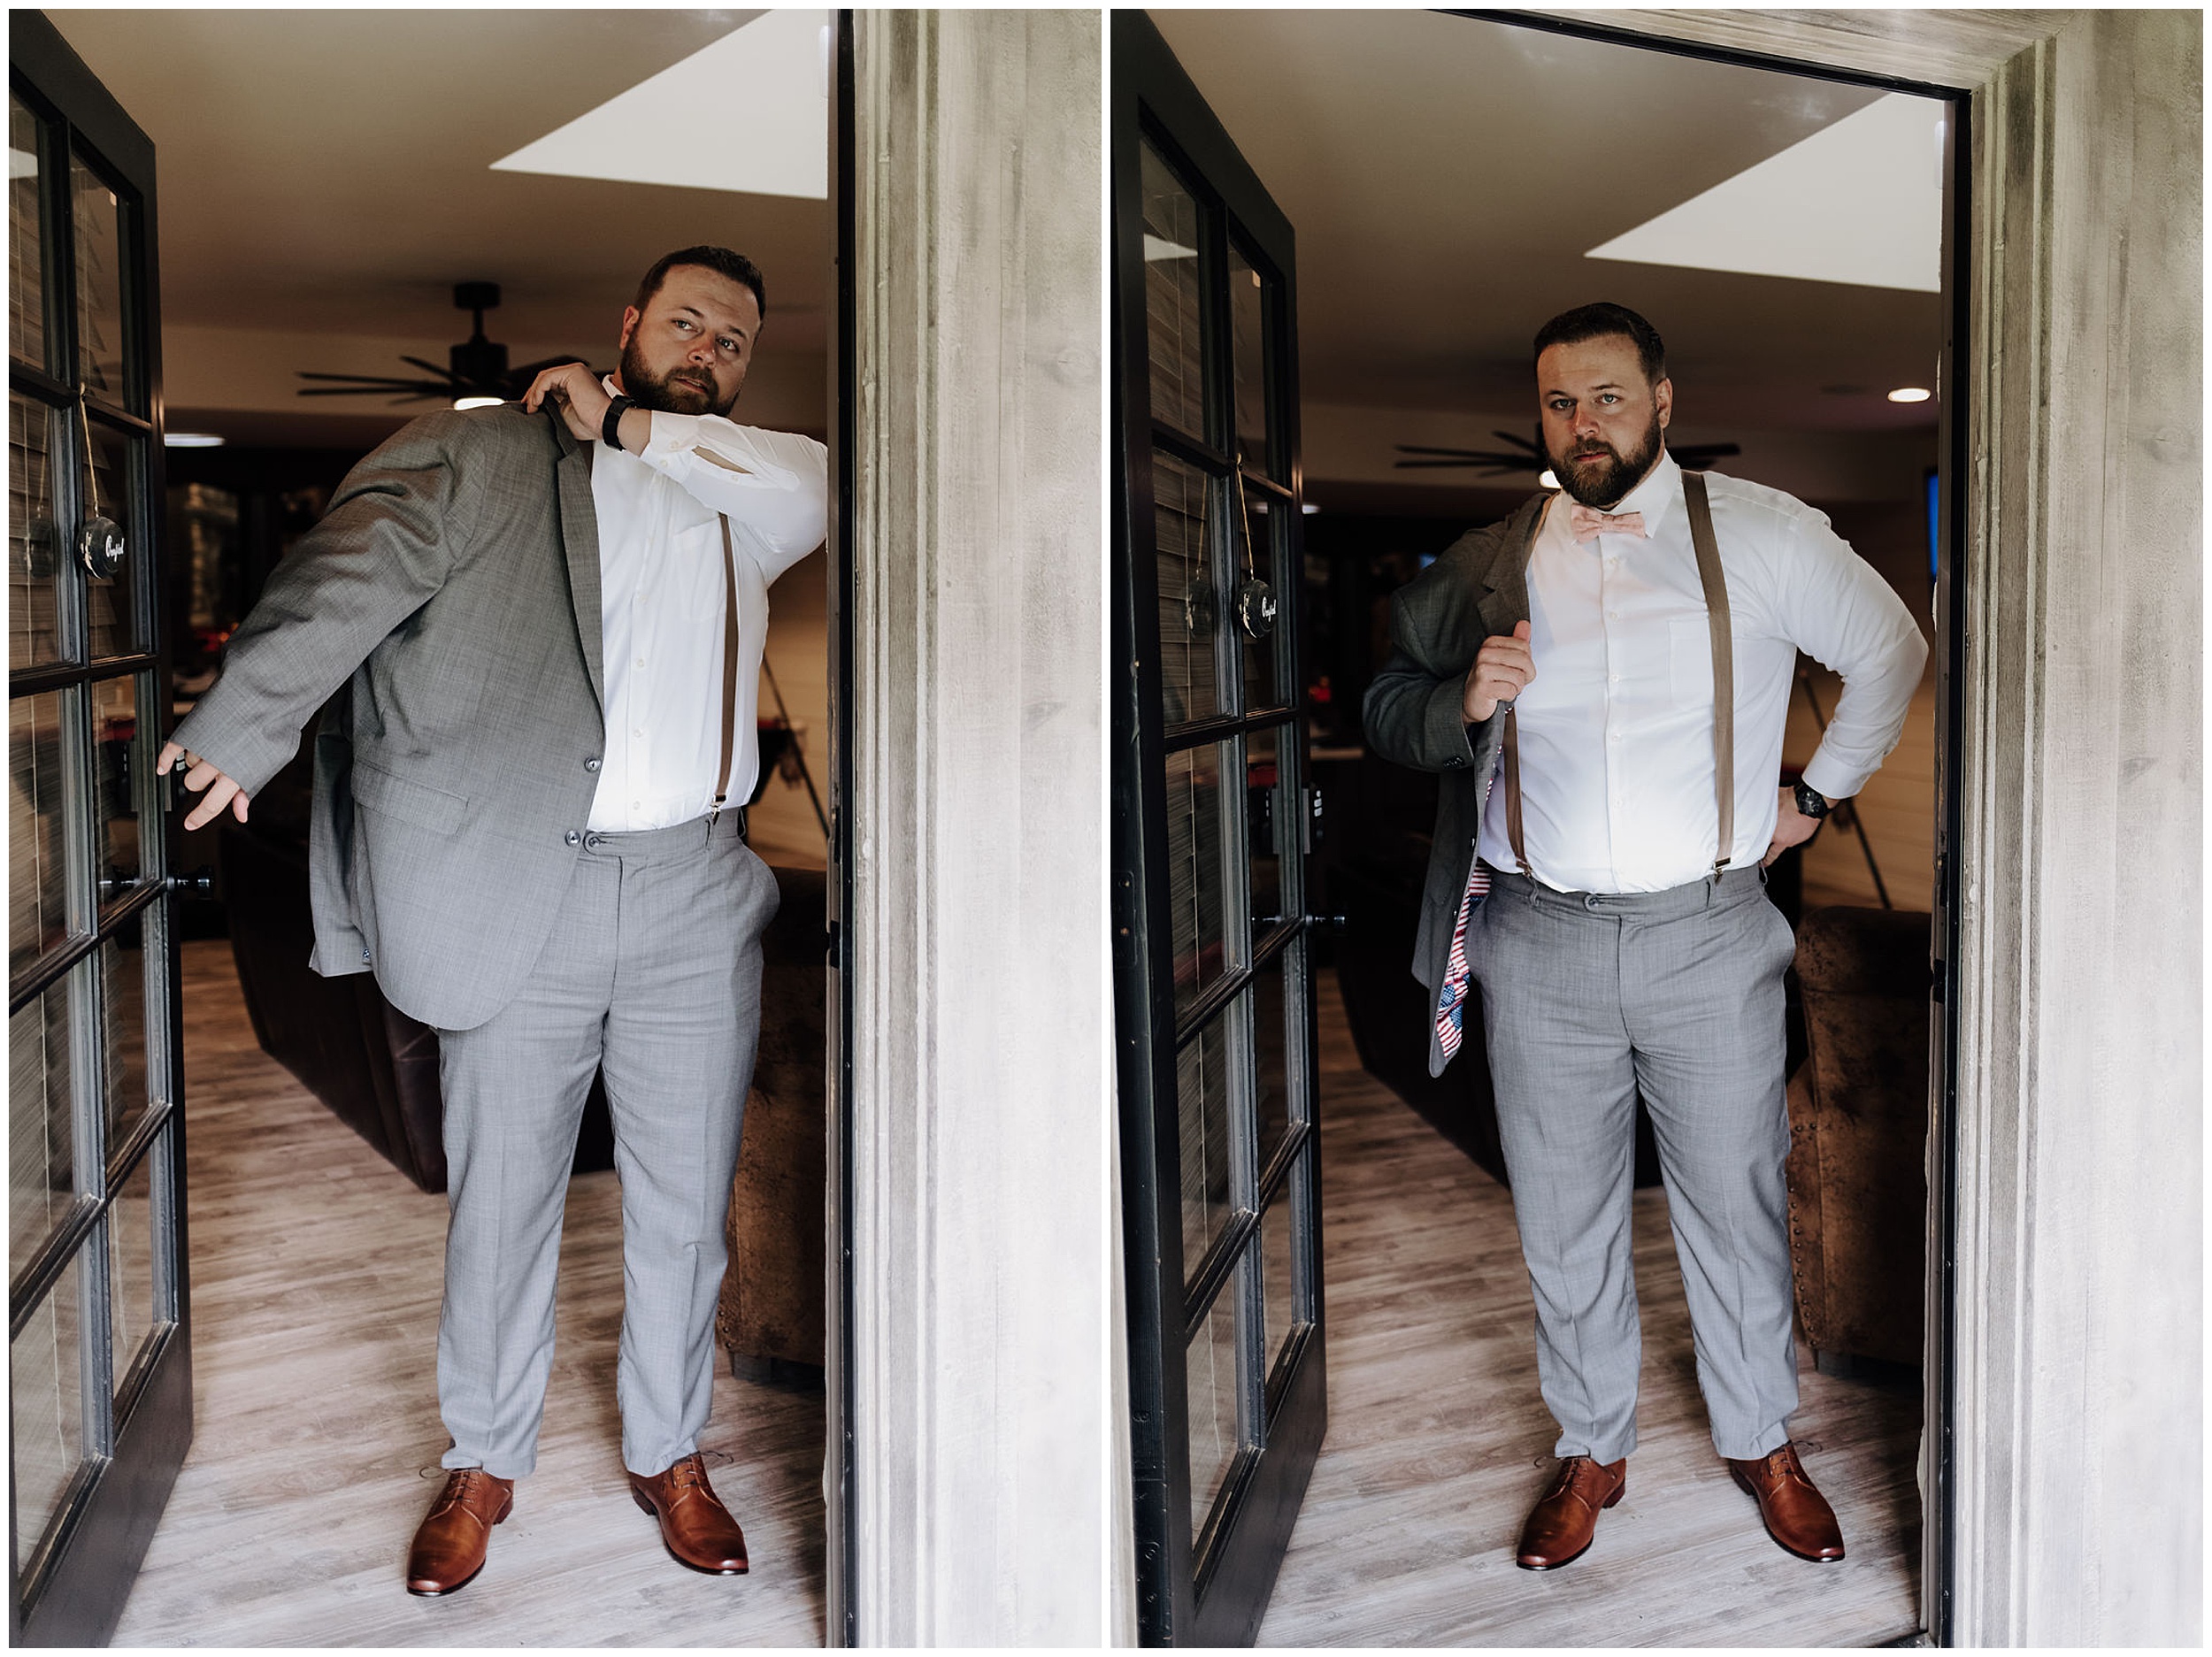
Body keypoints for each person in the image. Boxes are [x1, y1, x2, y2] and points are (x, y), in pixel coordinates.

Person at [159, 246, 828, 1596]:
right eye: (684, 321)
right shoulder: (487, 460)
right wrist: (252, 717)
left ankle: (669, 1447)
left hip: (696, 889)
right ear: (628, 321)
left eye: (735, 339)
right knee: (505, 1199)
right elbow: (355, 563)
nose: (709, 348)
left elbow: (825, 482)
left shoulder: (754, 496)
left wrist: (626, 421)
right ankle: (483, 1454)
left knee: (688, 1205)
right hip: (532, 880)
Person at [1363, 302, 1926, 1572]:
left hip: (1710, 933)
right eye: (1561, 401)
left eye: (1609, 396)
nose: (1585, 424)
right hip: (1538, 937)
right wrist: (1457, 697)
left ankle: (1763, 1437)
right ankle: (1593, 1443)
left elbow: (1890, 646)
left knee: (1733, 1202)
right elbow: (1393, 703)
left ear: (1664, 400)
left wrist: (1819, 797)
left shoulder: (1763, 535)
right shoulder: (1490, 559)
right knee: (1564, 1215)